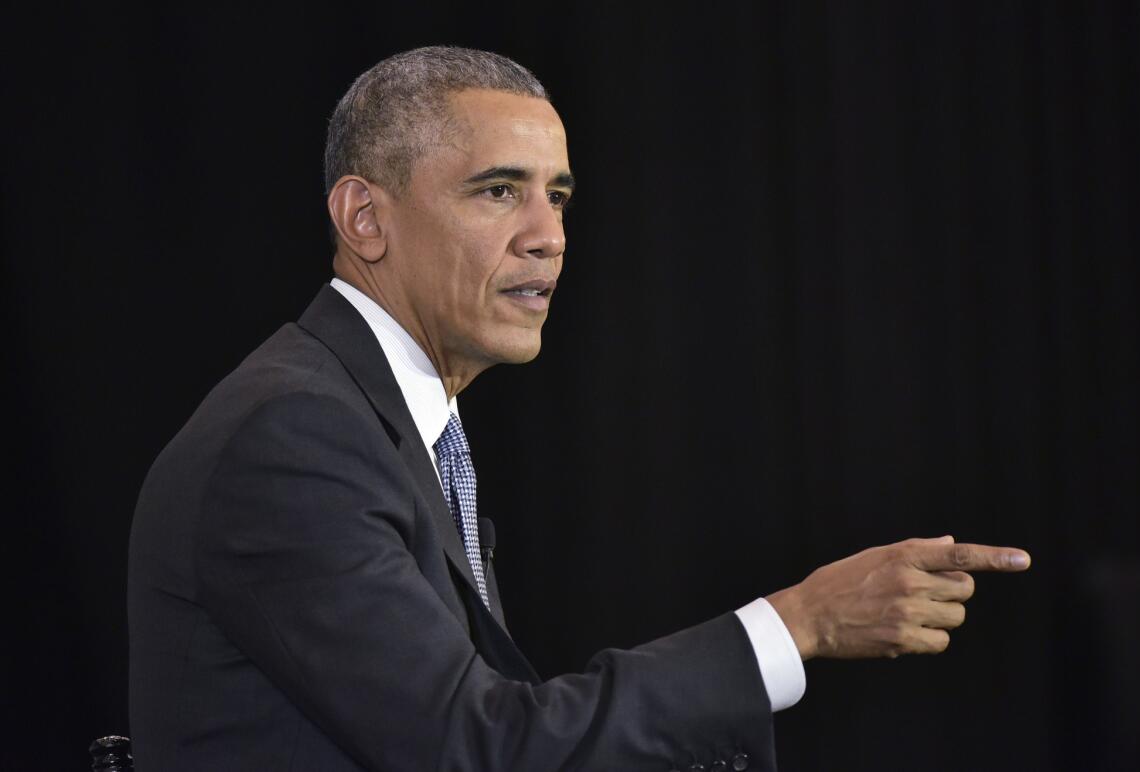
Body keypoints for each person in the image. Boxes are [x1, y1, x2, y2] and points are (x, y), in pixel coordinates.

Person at [127, 46, 1031, 771]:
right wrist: (797, 624)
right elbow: (475, 747)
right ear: (366, 218)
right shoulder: (295, 435)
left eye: (557, 196)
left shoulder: (394, 422)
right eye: (497, 190)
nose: (548, 235)